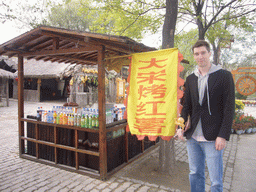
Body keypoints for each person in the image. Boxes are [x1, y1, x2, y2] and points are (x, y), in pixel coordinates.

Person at [176, 40, 235, 192]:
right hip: (193, 137)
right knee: (195, 173)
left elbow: (229, 109)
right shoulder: (190, 79)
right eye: (197, 54)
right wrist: (180, 127)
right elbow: (186, 107)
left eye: (203, 53)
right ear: (194, 56)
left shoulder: (224, 76)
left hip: (213, 137)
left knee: (215, 180)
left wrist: (223, 135)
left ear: (209, 54)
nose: (200, 56)